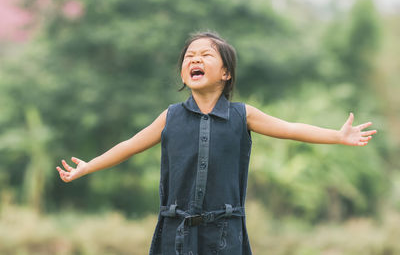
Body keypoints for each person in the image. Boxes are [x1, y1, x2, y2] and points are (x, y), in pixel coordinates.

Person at [56, 31, 377, 255]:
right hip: (176, 234)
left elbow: (290, 128)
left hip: (224, 235)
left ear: (226, 73)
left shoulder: (243, 115)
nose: (195, 59)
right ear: (184, 71)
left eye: (206, 55)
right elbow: (129, 145)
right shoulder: (170, 117)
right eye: (189, 56)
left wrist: (337, 136)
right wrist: (87, 167)